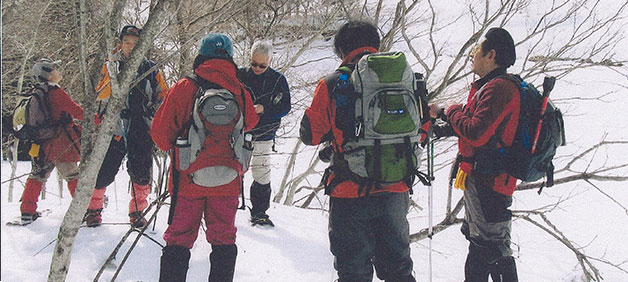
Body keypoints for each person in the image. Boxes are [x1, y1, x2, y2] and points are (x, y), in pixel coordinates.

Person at [299, 21, 416, 282]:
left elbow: (310, 134)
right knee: (399, 270)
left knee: (353, 272)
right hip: (395, 189)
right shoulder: (404, 81)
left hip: (349, 190)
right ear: (376, 45)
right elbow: (421, 128)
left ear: (342, 50)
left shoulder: (334, 83)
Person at [151, 33, 259, 282]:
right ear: (230, 58)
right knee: (224, 240)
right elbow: (251, 122)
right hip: (228, 180)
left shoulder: (185, 87)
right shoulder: (240, 90)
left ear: (201, 55)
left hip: (188, 180)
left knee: (179, 239)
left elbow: (160, 135)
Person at [429, 27, 520, 281]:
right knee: (481, 243)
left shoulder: (499, 88)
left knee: (491, 246)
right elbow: (474, 126)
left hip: (489, 182)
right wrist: (445, 123)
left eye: (477, 49)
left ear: (491, 54)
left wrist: (448, 110)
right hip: (482, 179)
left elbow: (476, 131)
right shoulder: (489, 86)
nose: (473, 54)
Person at [86, 25, 169, 228]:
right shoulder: (111, 67)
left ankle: (137, 212)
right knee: (104, 170)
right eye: (127, 43)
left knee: (141, 172)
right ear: (120, 43)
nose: (130, 47)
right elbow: (100, 93)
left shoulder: (151, 69)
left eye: (135, 43)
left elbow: (163, 96)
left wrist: (154, 112)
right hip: (115, 127)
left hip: (142, 126)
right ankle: (93, 210)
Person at [19, 58, 83, 224]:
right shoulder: (56, 93)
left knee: (38, 175)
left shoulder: (38, 91)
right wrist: (99, 119)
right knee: (72, 175)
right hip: (60, 142)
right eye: (54, 68)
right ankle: (83, 210)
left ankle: (27, 210)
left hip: (42, 142)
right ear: (47, 74)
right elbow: (76, 111)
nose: (58, 70)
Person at [236, 40, 291, 227]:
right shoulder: (240, 75)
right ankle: (228, 207)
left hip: (264, 133)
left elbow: (285, 107)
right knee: (233, 171)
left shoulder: (278, 80)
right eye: (254, 64)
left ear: (270, 62)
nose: (257, 68)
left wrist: (263, 108)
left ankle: (259, 212)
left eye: (262, 65)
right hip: (238, 132)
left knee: (261, 173)